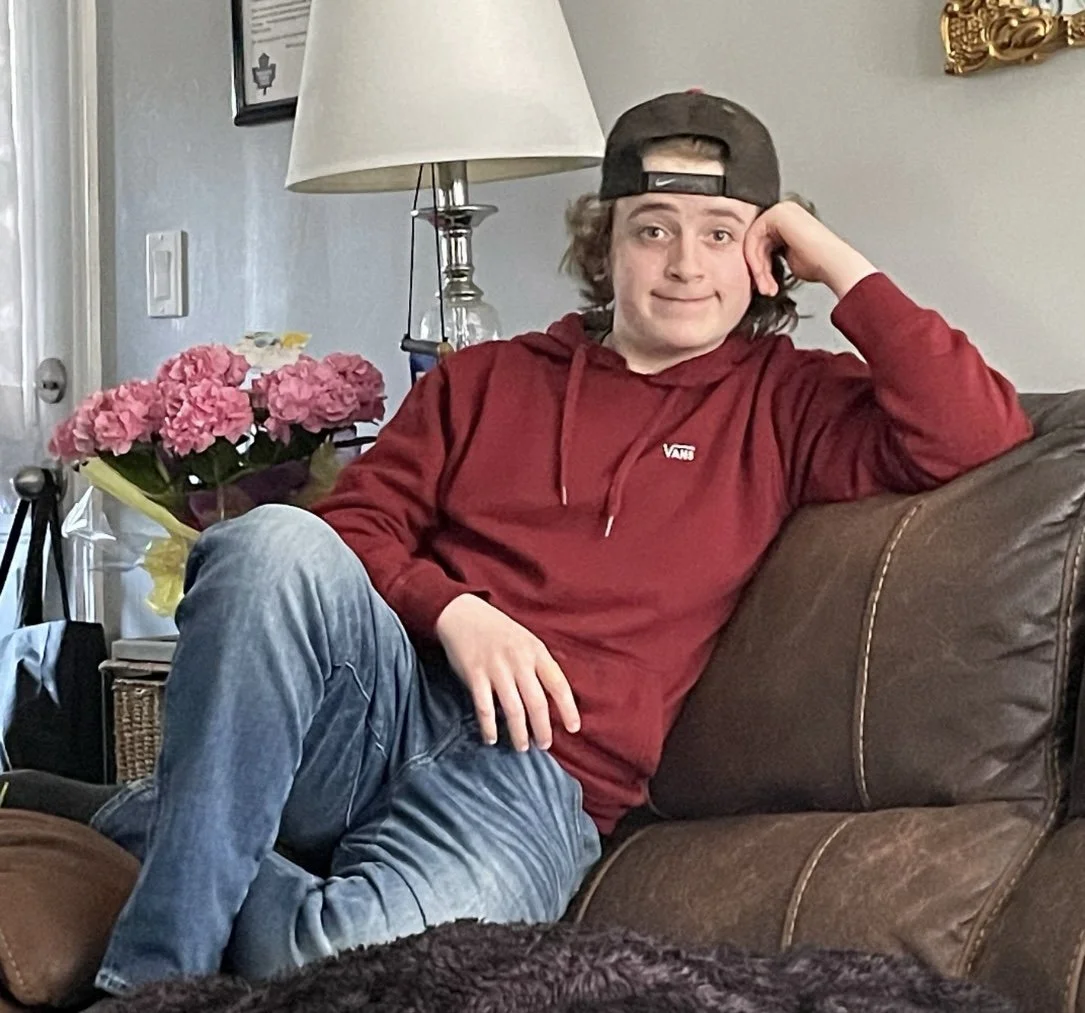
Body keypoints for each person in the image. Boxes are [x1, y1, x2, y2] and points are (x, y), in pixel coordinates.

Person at [0, 90, 1032, 995]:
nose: (683, 263)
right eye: (651, 228)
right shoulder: (487, 378)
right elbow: (349, 529)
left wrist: (828, 254)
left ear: (765, 259)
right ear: (604, 242)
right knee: (270, 544)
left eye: (721, 233)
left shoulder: (788, 402)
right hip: (383, 701)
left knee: (347, 957)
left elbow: (971, 428)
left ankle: (162, 820)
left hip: (537, 780)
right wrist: (454, 610)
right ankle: (158, 976)